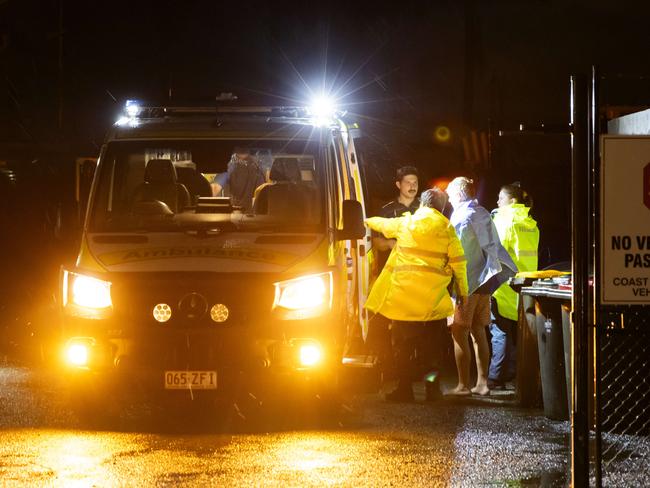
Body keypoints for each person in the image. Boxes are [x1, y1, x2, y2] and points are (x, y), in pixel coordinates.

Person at [364, 188, 468, 402]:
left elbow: (382, 224)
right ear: (441, 207)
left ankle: (404, 390)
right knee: (432, 351)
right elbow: (459, 264)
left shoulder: (407, 223)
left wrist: (364, 219)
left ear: (422, 203)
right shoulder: (447, 228)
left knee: (402, 349)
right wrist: (463, 292)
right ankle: (432, 391)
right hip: (433, 303)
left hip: (404, 302)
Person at [445, 177, 518, 396]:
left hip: (466, 283)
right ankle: (483, 384)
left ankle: (462, 385)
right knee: (479, 332)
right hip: (486, 282)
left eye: (449, 195)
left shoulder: (460, 217)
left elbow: (457, 253)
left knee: (459, 332)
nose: (448, 199)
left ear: (459, 194)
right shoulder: (483, 213)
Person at [366, 166, 420, 373]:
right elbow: (376, 243)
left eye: (415, 182)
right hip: (392, 276)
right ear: (398, 184)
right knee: (390, 323)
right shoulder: (386, 211)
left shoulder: (424, 211)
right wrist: (390, 245)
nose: (412, 186)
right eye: (408, 182)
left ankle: (414, 368)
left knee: (414, 326)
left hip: (417, 277)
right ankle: (391, 367)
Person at [488, 182, 540, 389]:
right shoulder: (531, 223)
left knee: (500, 331)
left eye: (500, 198)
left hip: (503, 283)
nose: (497, 202)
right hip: (524, 283)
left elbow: (495, 250)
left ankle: (495, 377)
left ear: (512, 200)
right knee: (519, 333)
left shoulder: (503, 221)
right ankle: (512, 374)